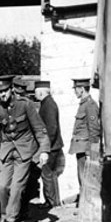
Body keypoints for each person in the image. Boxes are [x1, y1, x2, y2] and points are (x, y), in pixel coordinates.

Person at [0, 75, 50, 222]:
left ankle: (11, 219)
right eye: (0, 92)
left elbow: (39, 129)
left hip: (24, 152)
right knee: (3, 187)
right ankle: (4, 215)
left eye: (5, 91)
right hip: (6, 152)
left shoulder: (25, 105)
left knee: (17, 187)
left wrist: (44, 150)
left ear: (11, 89)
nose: (3, 94)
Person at [68, 78, 101, 207]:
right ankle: (84, 203)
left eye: (76, 89)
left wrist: (91, 151)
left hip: (86, 149)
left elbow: (94, 130)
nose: (74, 92)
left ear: (81, 89)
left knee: (86, 178)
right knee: (82, 177)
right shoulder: (84, 104)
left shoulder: (90, 105)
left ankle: (87, 205)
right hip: (80, 148)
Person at [34, 80, 65, 209]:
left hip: (51, 147)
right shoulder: (48, 103)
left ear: (40, 92)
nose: (35, 95)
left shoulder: (48, 105)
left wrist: (45, 147)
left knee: (47, 174)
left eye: (35, 92)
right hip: (53, 145)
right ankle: (53, 201)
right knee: (50, 175)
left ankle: (51, 202)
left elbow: (51, 128)